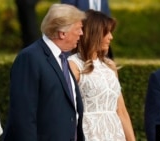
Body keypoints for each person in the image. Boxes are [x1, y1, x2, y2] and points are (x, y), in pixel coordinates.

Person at [2, 3, 86, 141]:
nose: (81, 33)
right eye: (78, 29)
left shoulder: (62, 58)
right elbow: (23, 116)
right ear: (62, 33)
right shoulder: (30, 58)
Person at [68, 9, 136, 141]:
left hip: (115, 134)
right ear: (94, 33)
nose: (111, 37)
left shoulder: (110, 66)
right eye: (107, 32)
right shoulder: (73, 65)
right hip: (88, 134)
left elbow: (121, 110)